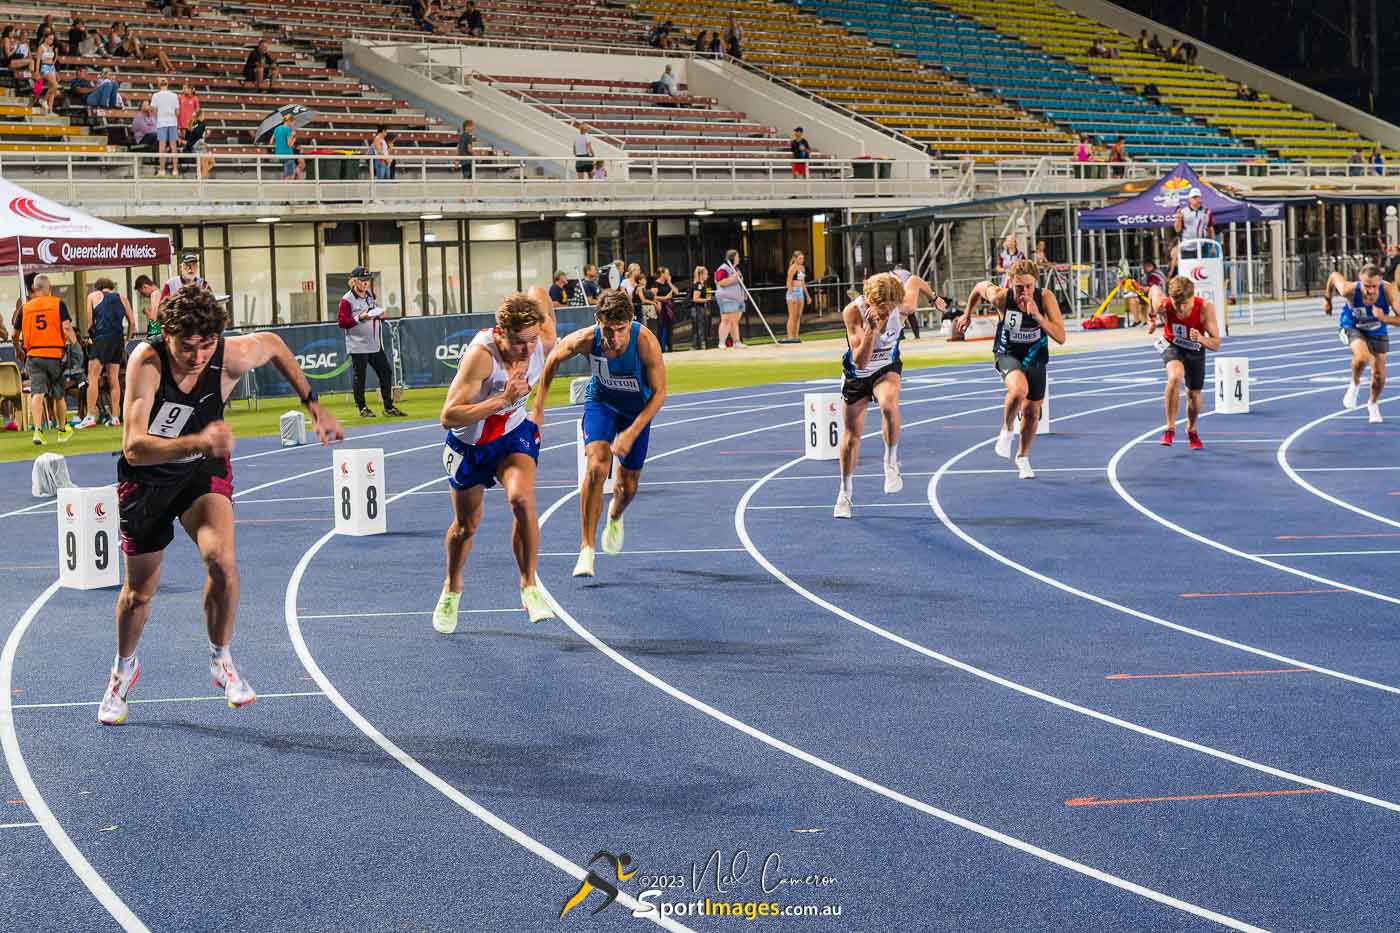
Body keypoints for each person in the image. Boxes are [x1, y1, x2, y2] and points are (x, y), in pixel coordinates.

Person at [98, 287, 343, 725]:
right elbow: (134, 448)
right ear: (166, 334)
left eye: (206, 345)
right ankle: (123, 669)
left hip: (201, 471)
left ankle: (221, 658)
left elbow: (273, 344)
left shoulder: (229, 355)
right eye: (186, 346)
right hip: (148, 479)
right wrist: (196, 441)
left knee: (222, 562)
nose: (196, 357)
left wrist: (313, 405)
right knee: (138, 595)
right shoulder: (146, 362)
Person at [433, 289, 558, 633]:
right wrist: (503, 398)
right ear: (501, 332)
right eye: (519, 343)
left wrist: (537, 297)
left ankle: (529, 585)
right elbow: (449, 416)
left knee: (521, 500)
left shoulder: (540, 340)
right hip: (470, 446)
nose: (528, 350)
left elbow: (542, 300)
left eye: (532, 341)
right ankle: (452, 588)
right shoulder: (481, 357)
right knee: (465, 527)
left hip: (512, 437)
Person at [532, 288, 666, 578]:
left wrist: (631, 433)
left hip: (636, 412)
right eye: (608, 329)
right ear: (598, 321)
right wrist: (539, 407)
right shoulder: (586, 339)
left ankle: (615, 516)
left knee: (627, 487)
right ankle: (586, 549)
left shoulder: (645, 342)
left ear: (630, 323)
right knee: (596, 466)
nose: (614, 338)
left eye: (620, 330)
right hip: (601, 403)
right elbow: (553, 359)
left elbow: (659, 394)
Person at [957, 259, 1067, 479]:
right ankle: (1006, 431)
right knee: (1018, 391)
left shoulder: (1044, 297)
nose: (1024, 291)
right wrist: (967, 313)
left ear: (1035, 282)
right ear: (1010, 283)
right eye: (1019, 287)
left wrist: (1038, 317)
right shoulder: (1001, 297)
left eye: (1028, 286)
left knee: (1032, 412)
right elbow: (979, 287)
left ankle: (1023, 457)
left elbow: (1061, 337)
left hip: (1035, 356)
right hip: (1008, 353)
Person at [833, 273, 913, 518]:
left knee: (889, 405)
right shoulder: (853, 313)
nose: (886, 313)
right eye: (881, 308)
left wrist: (935, 298)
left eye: (890, 308)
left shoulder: (903, 308)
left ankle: (890, 463)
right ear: (869, 302)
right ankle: (845, 492)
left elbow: (916, 282)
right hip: (858, 373)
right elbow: (860, 360)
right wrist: (871, 330)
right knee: (851, 437)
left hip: (886, 369)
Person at [1147, 276, 1221, 447]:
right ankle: (1170, 428)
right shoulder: (1163, 305)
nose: (1180, 309)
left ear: (1192, 298)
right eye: (1176, 304)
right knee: (1175, 377)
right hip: (1172, 344)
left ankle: (1192, 430)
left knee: (1193, 395)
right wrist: (1151, 316)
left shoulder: (1204, 308)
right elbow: (1153, 289)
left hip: (1195, 349)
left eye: (1184, 304)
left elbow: (1216, 345)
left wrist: (1201, 338)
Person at [1323, 264, 1399, 423]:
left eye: (1374, 286)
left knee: (1380, 377)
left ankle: (1372, 403)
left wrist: (1384, 318)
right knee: (1362, 356)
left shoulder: (1388, 291)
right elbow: (1334, 275)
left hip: (1377, 330)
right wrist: (1327, 300)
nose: (1370, 290)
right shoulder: (1348, 290)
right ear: (1360, 282)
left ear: (1380, 283)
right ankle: (1355, 383)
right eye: (1366, 286)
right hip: (1352, 326)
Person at [18, 275, 79, 445]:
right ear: (49, 288)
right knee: (59, 395)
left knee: (37, 393)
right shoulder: (57, 303)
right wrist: (76, 347)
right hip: (54, 355)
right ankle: (62, 431)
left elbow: (15, 333)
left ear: (33, 289)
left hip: (34, 355)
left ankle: (38, 431)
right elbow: (66, 328)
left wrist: (17, 348)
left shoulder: (25, 308)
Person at [337, 266, 406, 418]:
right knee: (360, 377)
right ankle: (362, 408)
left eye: (367, 280)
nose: (365, 283)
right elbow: (342, 322)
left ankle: (388, 407)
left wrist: (379, 314)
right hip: (358, 345)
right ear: (354, 281)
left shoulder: (369, 295)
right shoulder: (346, 300)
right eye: (362, 280)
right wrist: (359, 318)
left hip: (374, 343)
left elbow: (372, 311)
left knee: (386, 372)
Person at [80, 278, 136, 429]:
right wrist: (127, 340)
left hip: (102, 338)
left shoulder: (93, 296)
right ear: (111, 287)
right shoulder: (122, 298)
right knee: (114, 379)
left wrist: (93, 339)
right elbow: (132, 322)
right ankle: (116, 417)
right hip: (118, 339)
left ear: (98, 288)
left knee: (93, 377)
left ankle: (90, 416)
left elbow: (90, 323)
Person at [153, 252, 209, 337]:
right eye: (187, 265)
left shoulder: (203, 284)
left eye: (194, 265)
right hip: (177, 333)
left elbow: (211, 308)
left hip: (198, 332)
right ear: (181, 267)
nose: (190, 269)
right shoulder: (170, 284)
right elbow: (162, 310)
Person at [891, 262, 947, 340]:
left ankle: (900, 336)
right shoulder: (908, 274)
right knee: (910, 315)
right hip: (906, 294)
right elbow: (916, 280)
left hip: (896, 295)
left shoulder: (893, 273)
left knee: (899, 316)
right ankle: (916, 335)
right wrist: (934, 298)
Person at [714, 249, 745, 349]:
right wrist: (734, 277)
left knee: (735, 321)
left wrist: (743, 293)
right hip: (727, 297)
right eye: (737, 256)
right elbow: (721, 282)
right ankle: (722, 342)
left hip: (738, 298)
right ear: (732, 258)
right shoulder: (723, 269)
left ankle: (736, 341)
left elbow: (740, 283)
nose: (739, 258)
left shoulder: (736, 269)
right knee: (726, 319)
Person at [150, 77, 180, 177]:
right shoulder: (174, 95)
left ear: (159, 85)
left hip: (162, 123)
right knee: (173, 147)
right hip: (172, 122)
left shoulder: (155, 95)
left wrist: (160, 116)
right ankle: (175, 170)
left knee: (161, 147)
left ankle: (162, 170)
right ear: (167, 84)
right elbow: (177, 112)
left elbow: (154, 110)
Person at [1124, 257, 1165, 327]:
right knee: (1134, 299)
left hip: (1158, 296)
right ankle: (1141, 320)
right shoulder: (1149, 274)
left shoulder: (1155, 275)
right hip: (1150, 295)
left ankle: (1141, 320)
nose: (1143, 268)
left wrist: (1137, 287)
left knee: (1134, 299)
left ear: (1149, 266)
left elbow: (1150, 288)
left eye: (1144, 267)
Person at [649, 267, 676, 352]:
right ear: (662, 274)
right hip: (661, 308)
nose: (668, 275)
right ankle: (662, 348)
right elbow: (653, 296)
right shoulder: (655, 284)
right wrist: (665, 298)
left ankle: (670, 347)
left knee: (670, 329)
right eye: (667, 273)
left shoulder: (668, 284)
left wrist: (670, 282)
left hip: (669, 308)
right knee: (661, 328)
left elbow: (676, 291)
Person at [784, 251, 807, 341]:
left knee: (798, 315)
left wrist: (807, 295)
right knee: (792, 316)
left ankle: (796, 335)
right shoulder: (792, 268)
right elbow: (788, 283)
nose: (802, 260)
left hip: (800, 291)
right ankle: (790, 336)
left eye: (803, 258)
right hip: (793, 291)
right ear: (795, 258)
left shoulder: (802, 268)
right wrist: (792, 295)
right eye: (800, 258)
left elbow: (803, 282)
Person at [689, 265, 712, 349]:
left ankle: (699, 344)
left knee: (701, 326)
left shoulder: (704, 284)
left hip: (701, 308)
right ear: (701, 275)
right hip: (697, 308)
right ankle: (698, 344)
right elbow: (695, 298)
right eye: (706, 274)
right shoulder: (698, 285)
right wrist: (706, 300)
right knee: (699, 327)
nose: (707, 276)